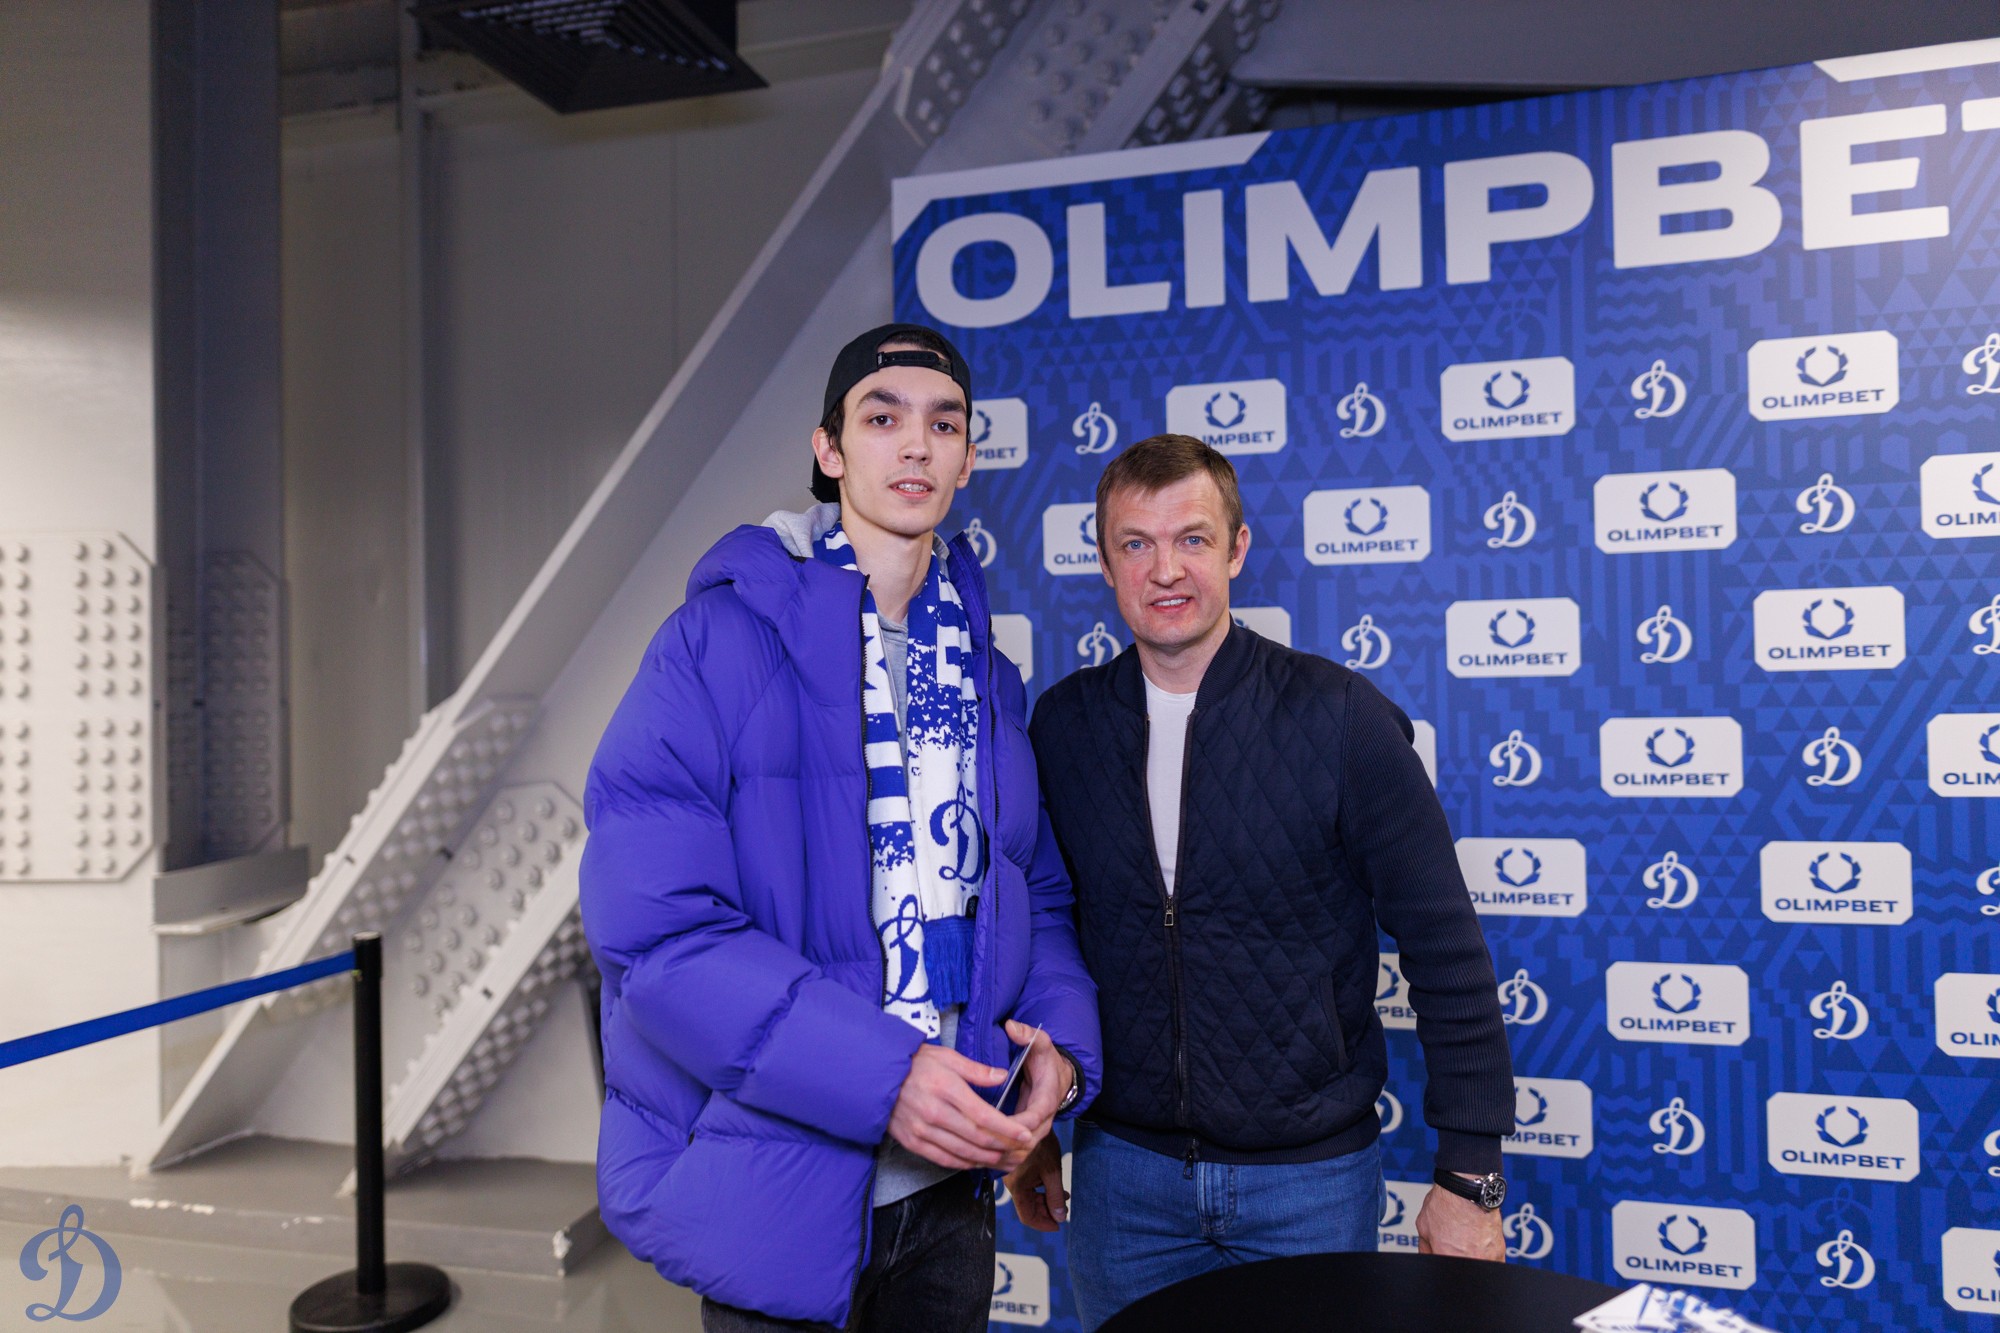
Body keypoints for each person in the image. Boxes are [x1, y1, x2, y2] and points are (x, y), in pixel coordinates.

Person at [579, 323, 1101, 1332]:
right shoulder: (712, 645)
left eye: (942, 424)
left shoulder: (984, 676)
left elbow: (1026, 894)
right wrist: (883, 1076)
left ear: (967, 458)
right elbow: (656, 931)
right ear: (829, 450)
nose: (915, 445)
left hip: (949, 1194)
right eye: (881, 418)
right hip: (775, 1191)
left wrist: (1058, 1048)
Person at [1011, 433, 1514, 1329]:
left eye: (1193, 539)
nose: (1167, 569)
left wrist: (1470, 1176)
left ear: (1237, 549)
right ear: (1105, 561)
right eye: (1136, 543)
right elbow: (1042, 933)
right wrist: (1032, 1121)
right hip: (1122, 1184)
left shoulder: (1340, 718)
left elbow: (1446, 947)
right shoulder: (1062, 726)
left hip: (1308, 1187)